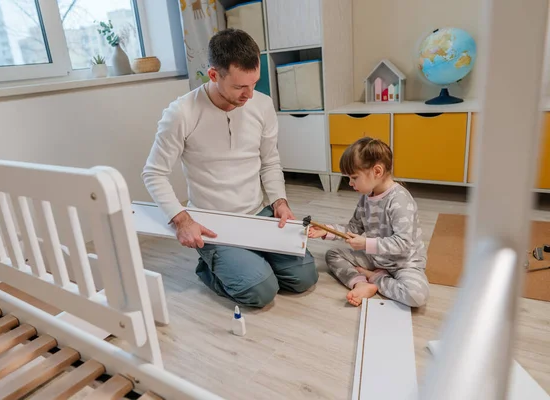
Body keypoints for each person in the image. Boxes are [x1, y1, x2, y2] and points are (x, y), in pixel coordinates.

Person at [141, 28, 318, 308]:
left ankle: (248, 259)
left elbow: (270, 161)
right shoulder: (181, 113)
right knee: (261, 291)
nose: (249, 94)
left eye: (254, 83)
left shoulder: (262, 105)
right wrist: (182, 219)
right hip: (214, 222)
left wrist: (279, 202)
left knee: (304, 277)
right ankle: (212, 266)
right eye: (239, 87)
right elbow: (153, 173)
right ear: (214, 75)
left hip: (258, 212)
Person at [307, 137, 429, 307]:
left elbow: (404, 243)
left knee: (416, 296)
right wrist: (326, 231)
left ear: (377, 172)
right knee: (333, 255)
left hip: (404, 263)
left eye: (354, 178)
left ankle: (374, 278)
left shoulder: (399, 200)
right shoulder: (366, 198)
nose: (350, 183)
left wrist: (366, 245)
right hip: (376, 257)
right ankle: (360, 283)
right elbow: (352, 228)